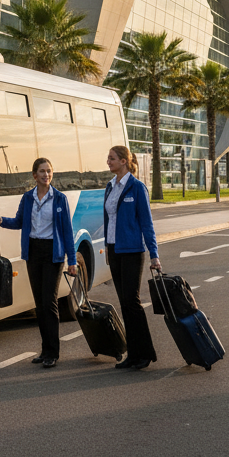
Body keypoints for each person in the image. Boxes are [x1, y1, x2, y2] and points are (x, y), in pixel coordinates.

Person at [0, 158, 77, 368]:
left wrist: (72, 260)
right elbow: (20, 222)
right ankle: (45, 349)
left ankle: (53, 352)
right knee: (39, 303)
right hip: (33, 252)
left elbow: (67, 231)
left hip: (52, 254)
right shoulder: (28, 198)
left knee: (49, 301)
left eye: (49, 171)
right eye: (42, 171)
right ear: (34, 175)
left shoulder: (60, 199)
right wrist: (2, 220)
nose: (46, 175)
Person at [104, 145, 160, 370]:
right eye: (108, 158)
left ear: (124, 161)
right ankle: (133, 354)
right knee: (124, 304)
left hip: (133, 252)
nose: (108, 162)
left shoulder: (137, 188)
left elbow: (147, 223)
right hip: (114, 251)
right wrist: (108, 250)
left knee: (132, 302)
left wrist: (154, 254)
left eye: (112, 158)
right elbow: (109, 220)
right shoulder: (110, 187)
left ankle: (145, 353)